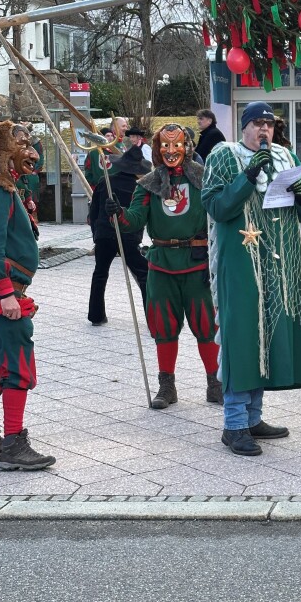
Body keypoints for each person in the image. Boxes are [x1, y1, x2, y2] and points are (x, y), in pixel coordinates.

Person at [203, 101, 301, 456]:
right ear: (244, 127)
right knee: (242, 337)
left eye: (268, 124)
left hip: (279, 265)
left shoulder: (285, 156)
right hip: (240, 263)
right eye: (256, 124)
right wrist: (248, 175)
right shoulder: (224, 155)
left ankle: (253, 418)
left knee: (266, 336)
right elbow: (217, 207)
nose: (264, 130)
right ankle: (233, 424)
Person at [106, 123, 222, 409]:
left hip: (197, 263)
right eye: (165, 146)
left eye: (177, 144)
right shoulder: (148, 183)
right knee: (164, 328)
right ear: (156, 149)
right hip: (161, 263)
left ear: (188, 147)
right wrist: (118, 214)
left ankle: (215, 383)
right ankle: (166, 386)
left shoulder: (203, 179)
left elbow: (220, 211)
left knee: (207, 326)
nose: (171, 151)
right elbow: (135, 219)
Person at [0, 119, 55, 471]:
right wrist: (6, 293)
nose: (30, 151)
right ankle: (14, 444)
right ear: (2, 151)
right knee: (18, 363)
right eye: (21, 144)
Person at [87, 145, 150, 327]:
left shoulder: (105, 181)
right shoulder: (140, 187)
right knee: (144, 273)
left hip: (104, 234)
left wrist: (96, 235)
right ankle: (151, 317)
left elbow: (94, 210)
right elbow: (142, 213)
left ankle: (96, 316)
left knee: (100, 273)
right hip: (128, 235)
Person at [85, 116, 128, 188]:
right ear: (115, 127)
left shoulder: (121, 144)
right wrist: (95, 186)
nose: (126, 128)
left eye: (126, 126)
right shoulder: (94, 153)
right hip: (102, 189)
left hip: (119, 187)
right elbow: (88, 172)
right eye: (123, 126)